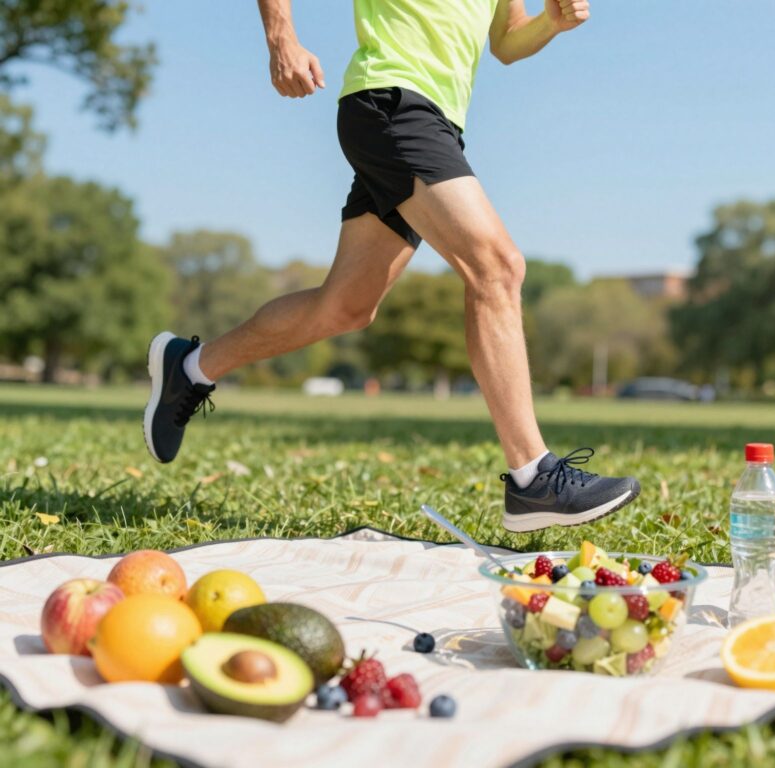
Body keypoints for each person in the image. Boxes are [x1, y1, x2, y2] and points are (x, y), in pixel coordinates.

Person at [143, 0, 640, 532]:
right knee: (497, 268)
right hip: (392, 101)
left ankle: (190, 368)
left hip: (438, 122)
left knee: (345, 307)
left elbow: (507, 40)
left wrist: (552, 24)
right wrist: (281, 39)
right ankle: (532, 477)